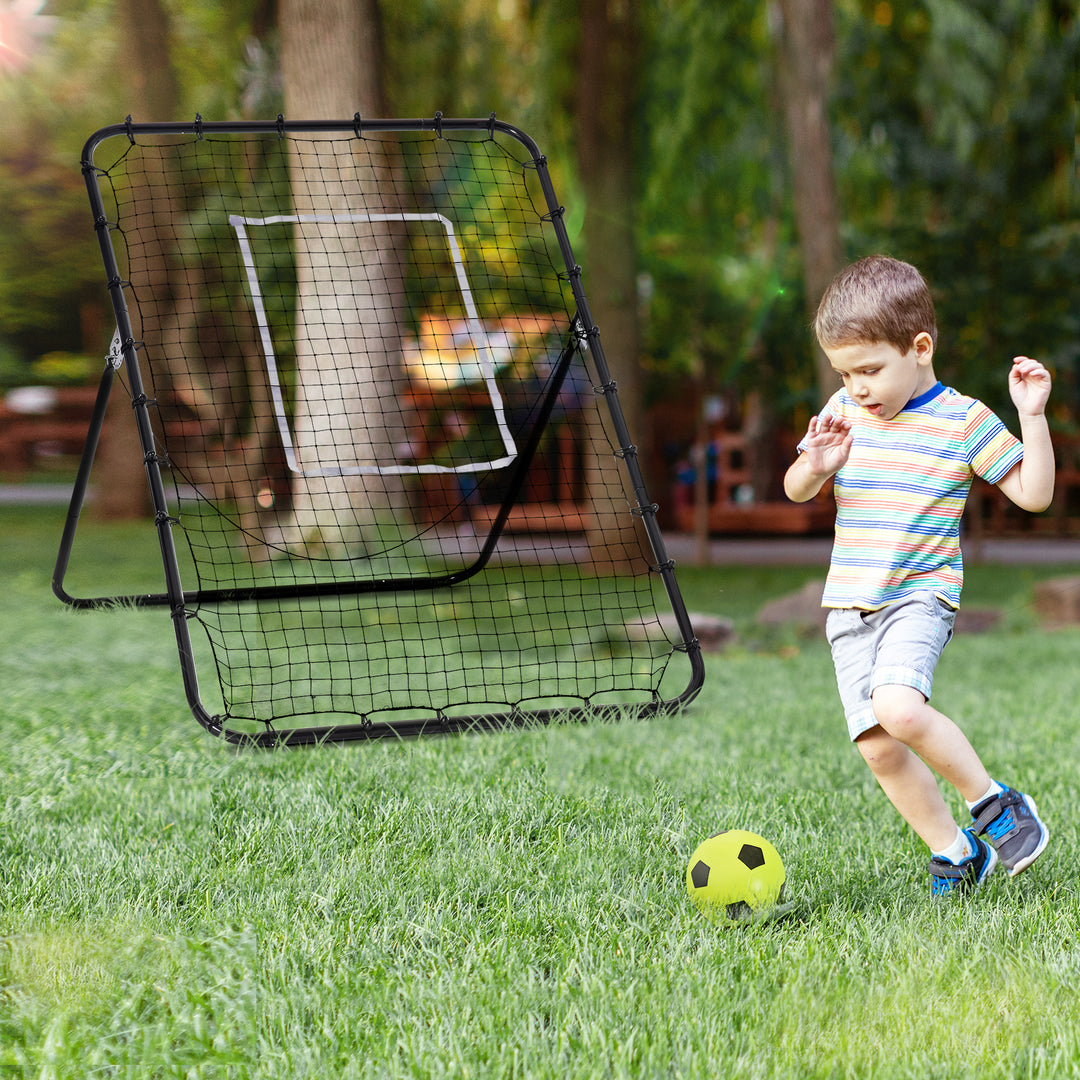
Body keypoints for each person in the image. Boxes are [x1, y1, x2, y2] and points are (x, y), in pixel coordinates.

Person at [784, 255, 1053, 897]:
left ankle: (997, 804)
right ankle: (957, 854)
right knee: (878, 745)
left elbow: (1035, 494)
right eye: (844, 373)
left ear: (920, 348)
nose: (857, 387)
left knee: (899, 707)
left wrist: (1033, 415)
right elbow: (797, 490)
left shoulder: (962, 419)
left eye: (870, 370)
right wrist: (817, 465)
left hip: (919, 597)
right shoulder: (843, 413)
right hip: (849, 607)